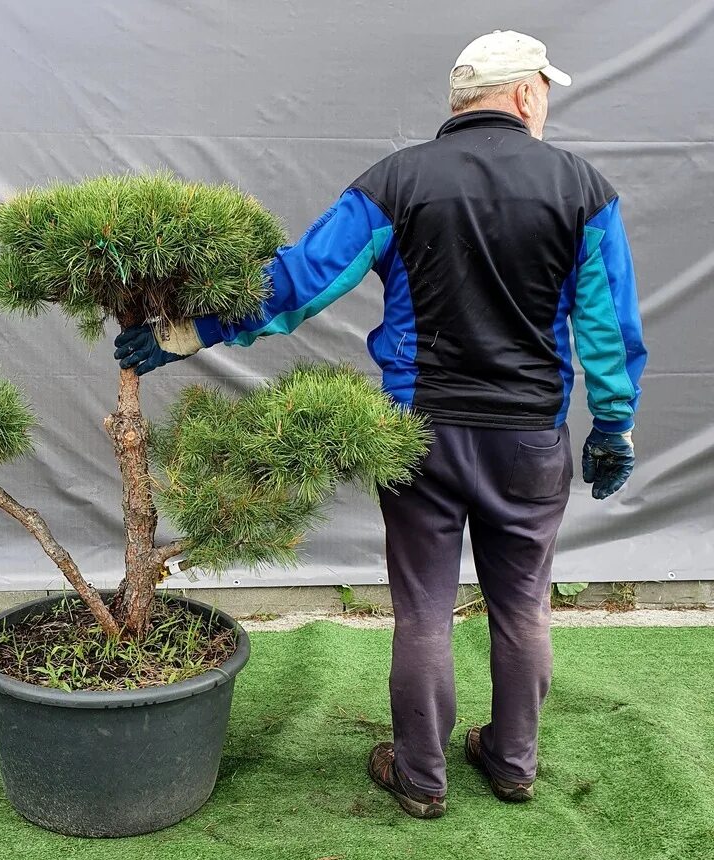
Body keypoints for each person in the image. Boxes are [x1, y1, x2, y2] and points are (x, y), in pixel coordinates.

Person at [113, 30, 646, 818]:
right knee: (525, 603)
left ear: (463, 101)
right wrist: (614, 426)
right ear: (528, 94)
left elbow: (300, 282)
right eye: (546, 90)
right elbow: (605, 328)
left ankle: (421, 776)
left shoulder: (398, 182)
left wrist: (186, 332)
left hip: (417, 433)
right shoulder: (583, 190)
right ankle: (511, 761)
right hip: (529, 436)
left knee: (425, 608)